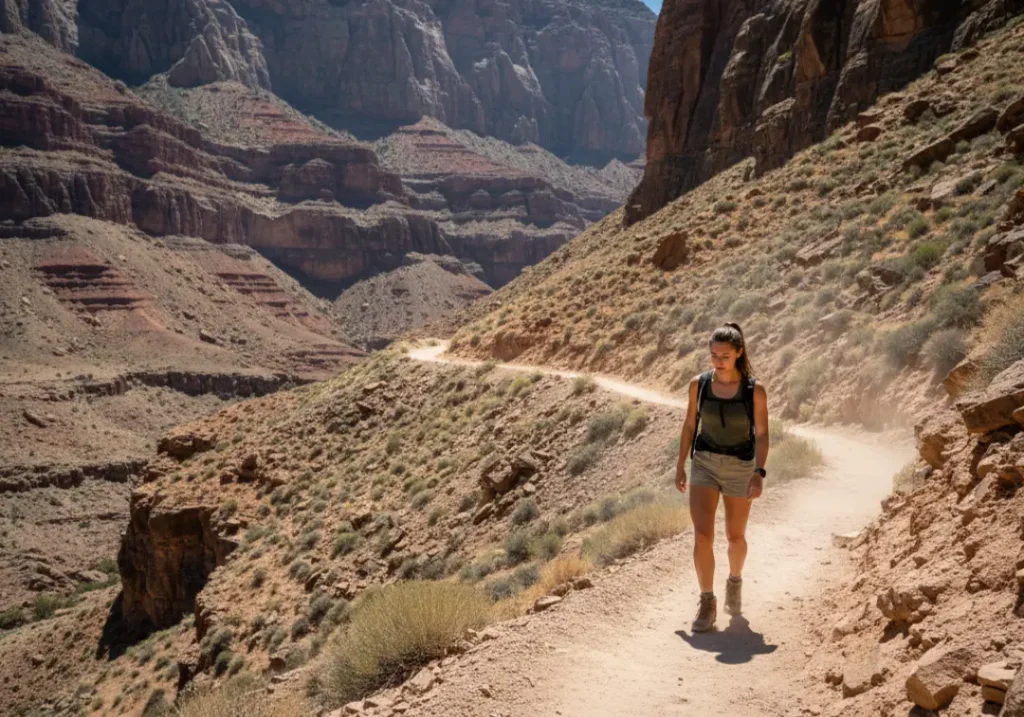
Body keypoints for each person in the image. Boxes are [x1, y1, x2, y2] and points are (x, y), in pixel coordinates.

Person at [674, 323, 769, 633]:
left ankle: (735, 581)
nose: (717, 361)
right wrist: (680, 465)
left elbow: (764, 434)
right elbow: (690, 426)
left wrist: (758, 472)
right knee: (703, 536)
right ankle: (706, 601)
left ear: (739, 354)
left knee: (735, 537)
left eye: (725, 356)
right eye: (713, 355)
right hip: (704, 463)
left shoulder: (754, 390)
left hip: (740, 467)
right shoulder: (698, 384)